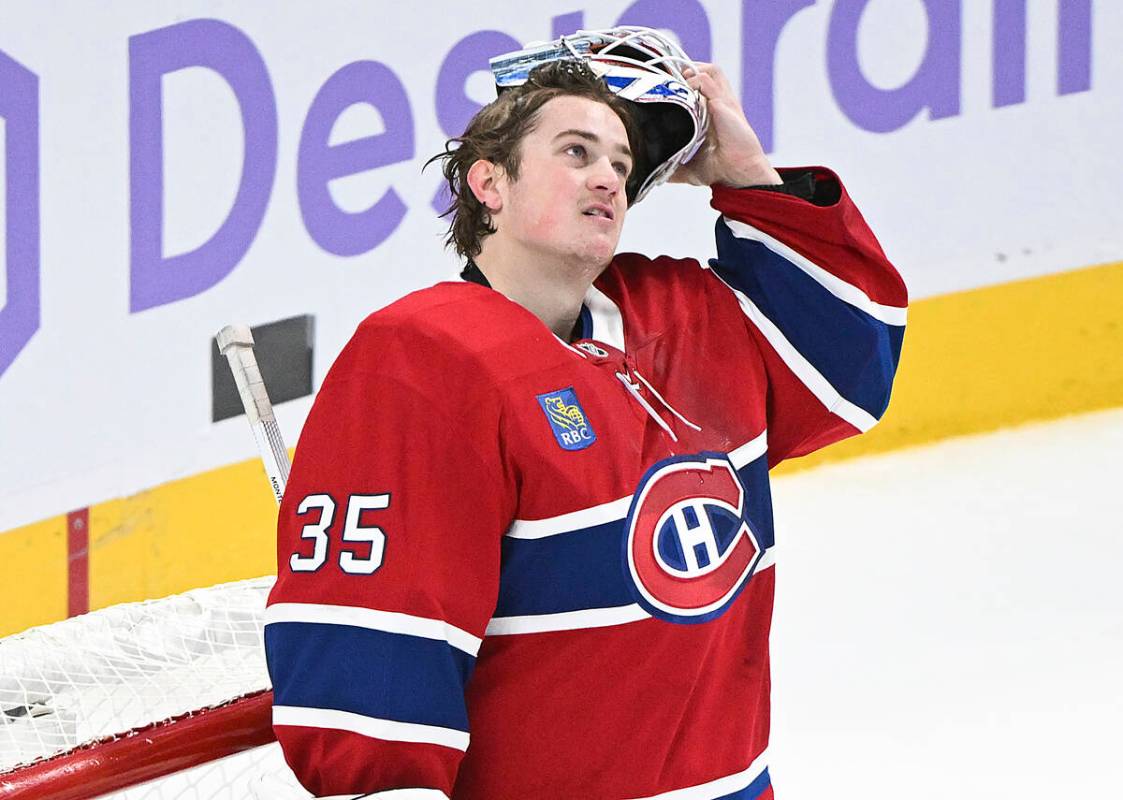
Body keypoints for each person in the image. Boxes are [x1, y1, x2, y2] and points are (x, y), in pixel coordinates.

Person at [264, 28, 907, 800]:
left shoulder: (685, 314)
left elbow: (849, 378)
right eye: (574, 151)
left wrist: (745, 176)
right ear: (488, 184)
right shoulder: (421, 360)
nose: (607, 177)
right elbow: (376, 649)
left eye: (622, 164)